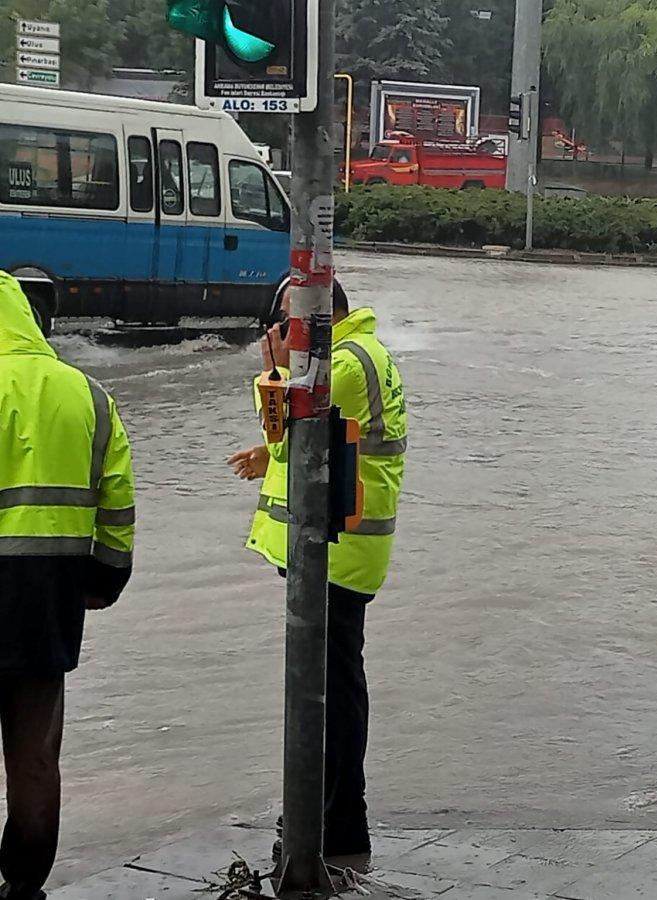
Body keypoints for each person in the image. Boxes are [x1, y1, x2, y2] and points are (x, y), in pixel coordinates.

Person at [227, 280, 406, 859]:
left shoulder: (346, 365)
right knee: (330, 682)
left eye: (286, 321)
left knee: (332, 687)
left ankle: (338, 823)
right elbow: (305, 441)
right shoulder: (355, 356)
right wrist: (270, 448)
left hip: (337, 545)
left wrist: (275, 375)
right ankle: (323, 812)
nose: (277, 331)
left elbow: (290, 433)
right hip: (336, 543)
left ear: (317, 319)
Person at [0, 272, 135, 900]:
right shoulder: (88, 395)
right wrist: (106, 576)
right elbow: (117, 501)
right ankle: (26, 883)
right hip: (49, 596)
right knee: (34, 755)